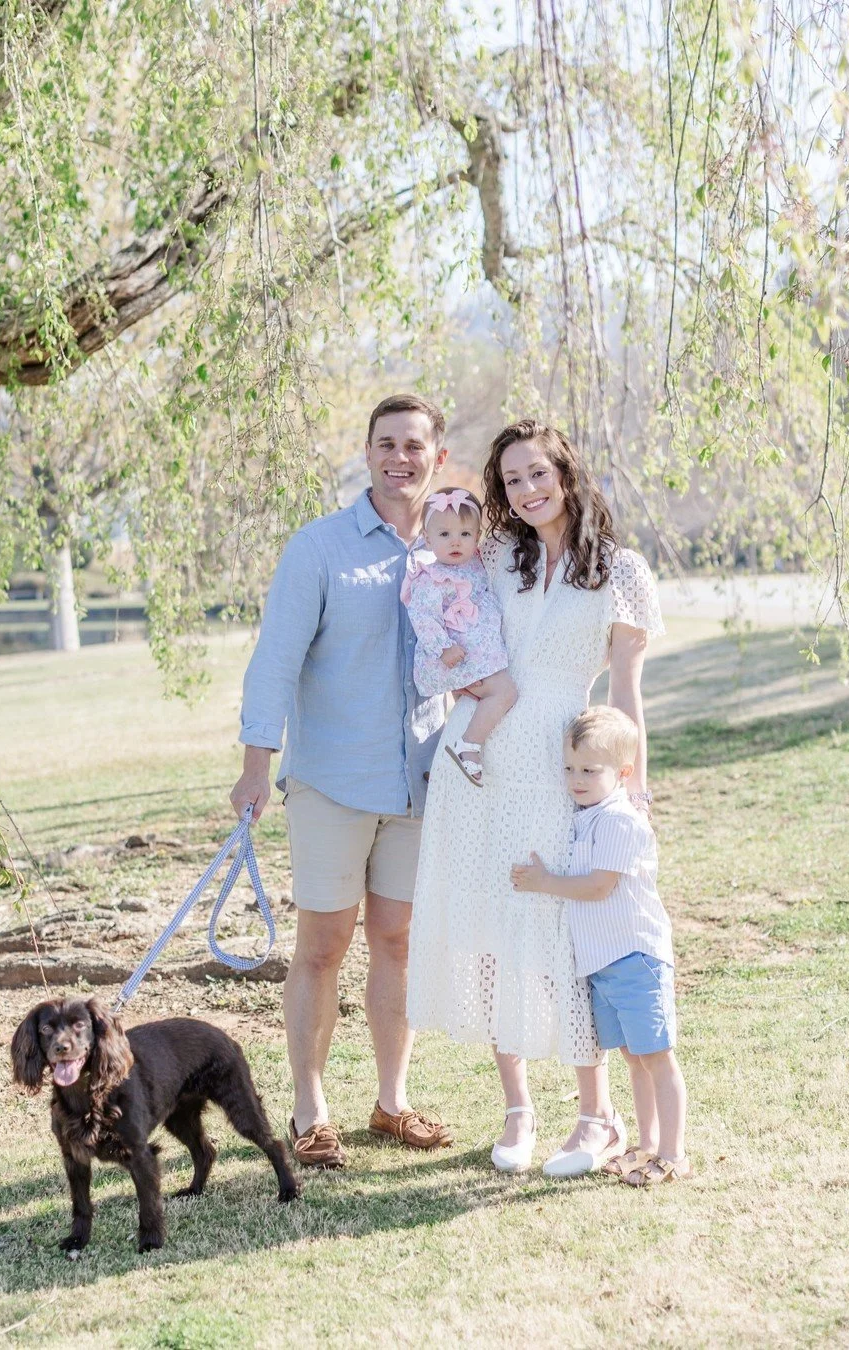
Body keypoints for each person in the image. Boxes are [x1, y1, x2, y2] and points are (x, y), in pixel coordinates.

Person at [406, 418, 664, 1176]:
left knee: (563, 937)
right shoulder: (491, 555)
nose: (526, 490)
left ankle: (598, 1116)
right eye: (511, 480)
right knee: (490, 930)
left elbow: (624, 694)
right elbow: (435, 585)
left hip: (564, 766)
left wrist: (632, 788)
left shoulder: (619, 572)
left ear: (567, 473)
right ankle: (518, 1108)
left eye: (537, 474)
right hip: (477, 764)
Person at [230, 393, 456, 1170]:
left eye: (415, 445)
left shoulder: (455, 551)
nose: (401, 457)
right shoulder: (320, 549)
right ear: (366, 454)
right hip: (331, 782)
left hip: (421, 787)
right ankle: (309, 1112)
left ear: (438, 458)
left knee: (397, 940)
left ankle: (392, 1103)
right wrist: (256, 763)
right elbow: (275, 661)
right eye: (386, 443)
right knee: (323, 946)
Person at [510, 706, 691, 1186]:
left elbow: (598, 887)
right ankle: (646, 1145)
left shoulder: (619, 821)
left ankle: (672, 1154)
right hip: (604, 963)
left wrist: (545, 881)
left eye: (590, 770)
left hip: (634, 957)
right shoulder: (585, 816)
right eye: (570, 768)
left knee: (656, 1055)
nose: (577, 779)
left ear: (623, 773)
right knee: (633, 1056)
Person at [400, 486, 517, 785]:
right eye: (444, 535)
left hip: (475, 650)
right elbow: (423, 618)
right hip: (454, 655)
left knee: (499, 691)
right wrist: (444, 649)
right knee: (505, 692)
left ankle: (471, 738)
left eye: (465, 534)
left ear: (476, 537)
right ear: (428, 538)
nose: (455, 542)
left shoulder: (476, 562)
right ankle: (469, 745)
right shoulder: (432, 577)